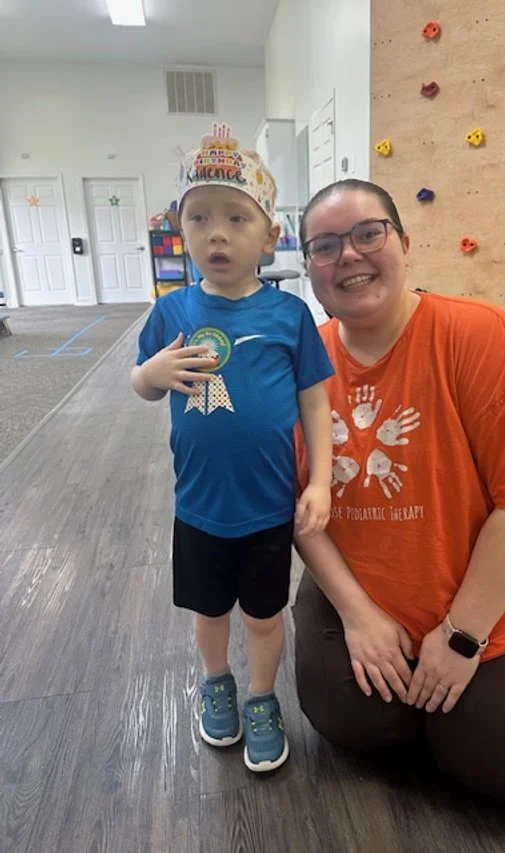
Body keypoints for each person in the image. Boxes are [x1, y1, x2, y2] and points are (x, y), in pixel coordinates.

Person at [293, 178, 505, 801]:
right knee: (351, 724)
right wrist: (358, 616)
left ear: (404, 244)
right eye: (325, 245)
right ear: (309, 269)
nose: (348, 255)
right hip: (372, 589)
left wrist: (462, 636)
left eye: (367, 233)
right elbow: (299, 512)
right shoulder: (301, 366)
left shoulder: (479, 336)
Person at [131, 122, 334, 773]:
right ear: (180, 229)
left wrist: (321, 481)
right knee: (208, 608)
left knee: (266, 614)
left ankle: (261, 697)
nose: (216, 232)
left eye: (236, 218)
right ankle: (216, 681)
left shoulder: (289, 315)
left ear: (270, 235)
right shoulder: (171, 312)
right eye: (199, 218)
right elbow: (142, 384)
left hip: (268, 507)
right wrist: (149, 377)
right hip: (198, 506)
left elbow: (315, 401)